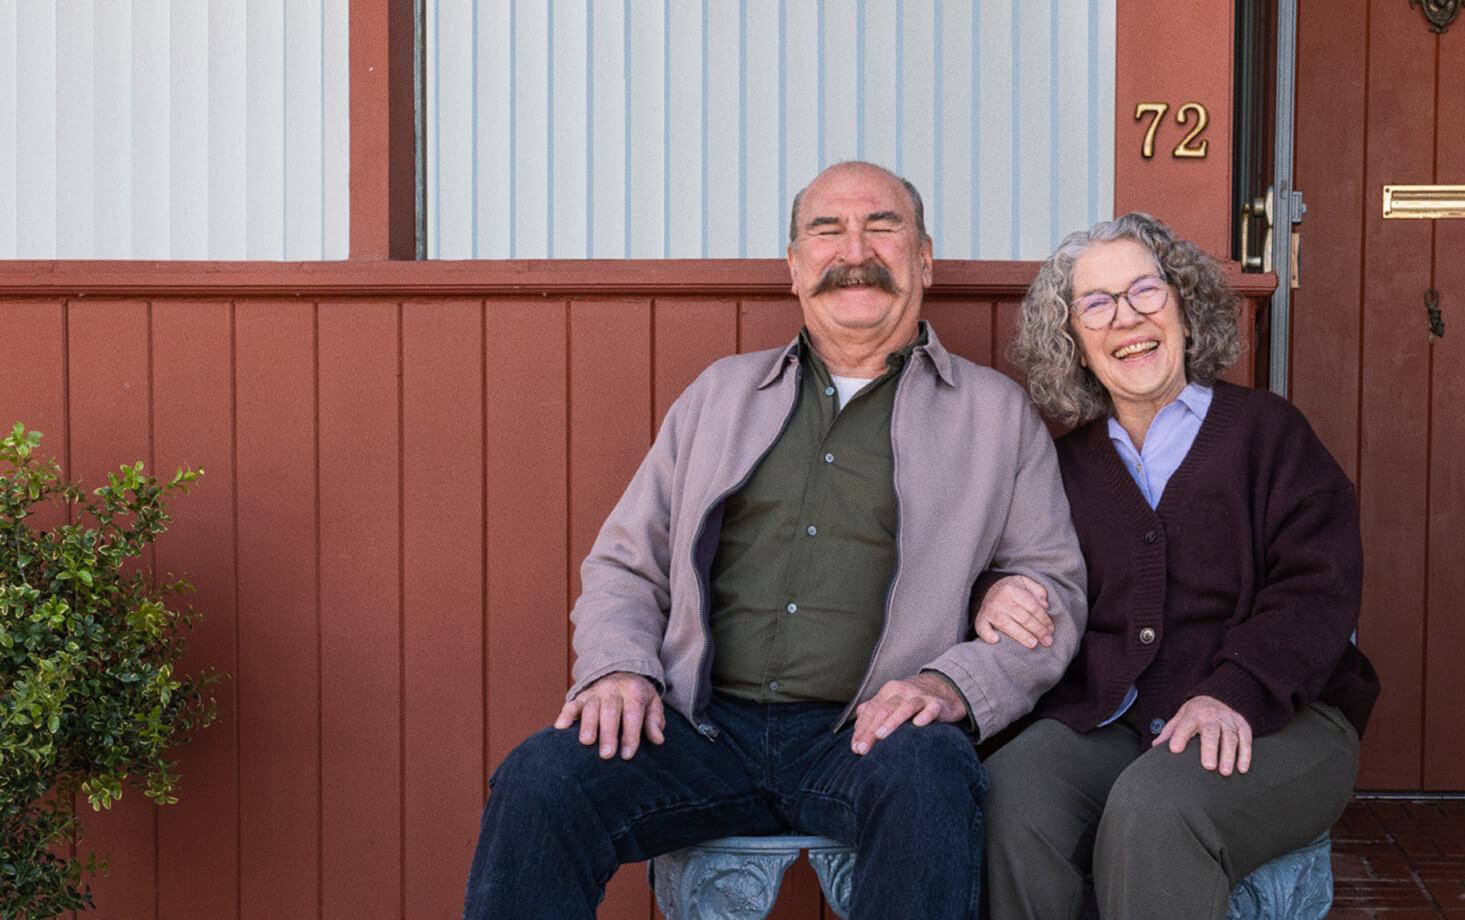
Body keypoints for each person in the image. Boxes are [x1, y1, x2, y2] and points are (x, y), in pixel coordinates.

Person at [462, 161, 1087, 920]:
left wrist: (948, 686)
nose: (854, 250)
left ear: (924, 259)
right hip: (697, 729)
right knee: (541, 779)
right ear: (794, 266)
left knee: (931, 772)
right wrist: (618, 668)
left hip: (869, 733)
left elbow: (1053, 592)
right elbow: (627, 565)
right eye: (827, 231)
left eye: (882, 227)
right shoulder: (720, 395)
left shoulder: (995, 416)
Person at [975, 212, 1378, 920]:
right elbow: (1014, 561)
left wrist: (1235, 691)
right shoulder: (1060, 465)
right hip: (1114, 719)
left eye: (1145, 291)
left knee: (1157, 807)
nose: (1126, 317)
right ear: (1073, 343)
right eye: (1096, 303)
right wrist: (992, 590)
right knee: (1014, 792)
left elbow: (1320, 588)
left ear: (1184, 307)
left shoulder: (1269, 434)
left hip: (1280, 716)